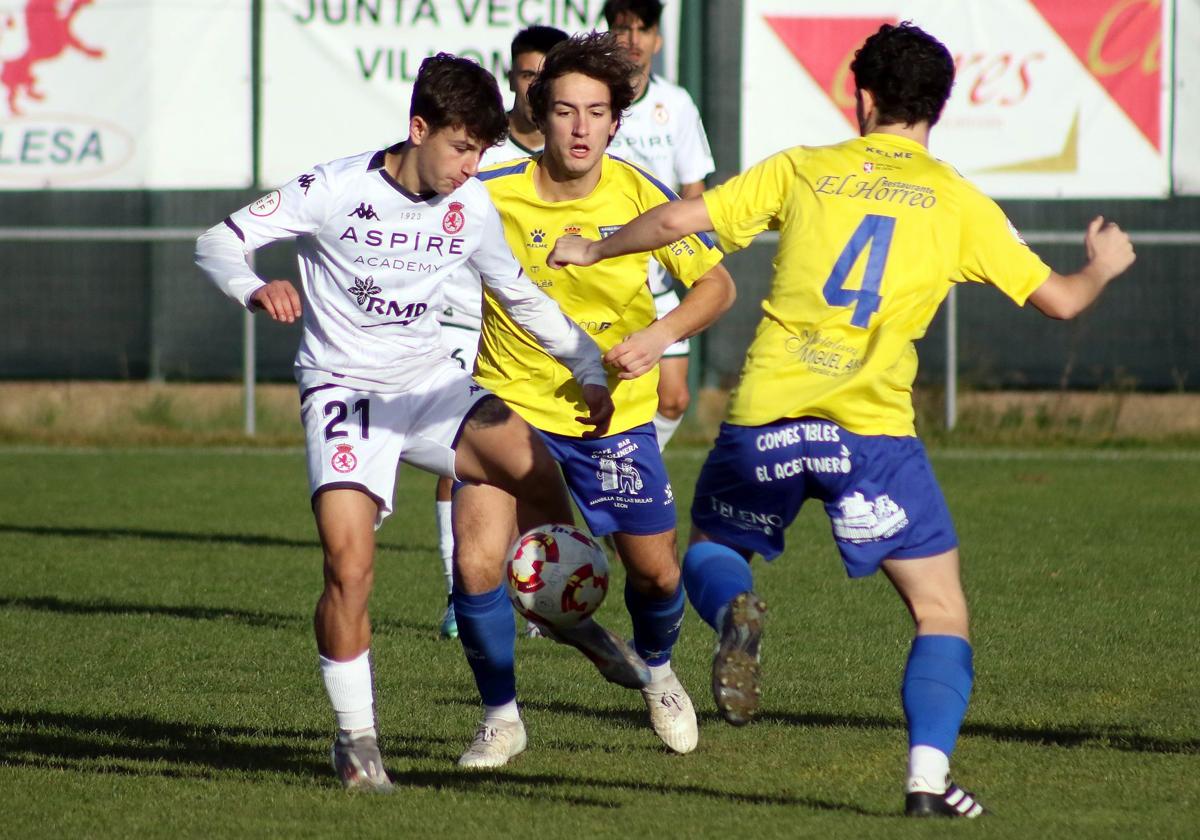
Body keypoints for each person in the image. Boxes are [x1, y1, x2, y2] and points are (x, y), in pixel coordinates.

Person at [548, 21, 1135, 818]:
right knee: (940, 610)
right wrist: (1099, 268)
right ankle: (927, 779)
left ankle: (734, 613)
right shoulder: (959, 200)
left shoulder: (804, 169)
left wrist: (594, 249)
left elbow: (680, 222)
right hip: (872, 437)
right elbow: (1061, 301)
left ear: (860, 98)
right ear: (939, 108)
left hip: (766, 419)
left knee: (713, 549)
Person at [195, 53, 628, 791]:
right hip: (346, 397)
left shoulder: (471, 206)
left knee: (536, 470)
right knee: (349, 569)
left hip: (431, 388)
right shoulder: (333, 188)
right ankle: (356, 741)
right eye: (461, 147)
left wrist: (587, 366)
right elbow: (218, 241)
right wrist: (254, 285)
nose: (470, 166)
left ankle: (567, 613)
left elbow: (518, 294)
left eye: (482, 151)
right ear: (418, 127)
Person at [449, 31, 736, 766]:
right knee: (478, 568)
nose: (580, 127)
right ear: (538, 114)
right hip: (508, 406)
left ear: (616, 121)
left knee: (655, 571)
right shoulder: (491, 197)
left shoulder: (641, 193)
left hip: (614, 419)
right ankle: (500, 717)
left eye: (596, 112)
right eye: (566, 110)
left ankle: (660, 673)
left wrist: (658, 336)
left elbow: (717, 285)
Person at [433, 25, 569, 643]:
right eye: (525, 74)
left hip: (538, 326)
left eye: (547, 77)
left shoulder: (573, 159)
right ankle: (460, 594)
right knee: (460, 453)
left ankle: (539, 585)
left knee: (534, 458)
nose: (533, 86)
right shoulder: (484, 152)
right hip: (466, 317)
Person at [604, 0, 716, 451]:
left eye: (642, 29)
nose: (632, 39)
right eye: (622, 28)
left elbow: (694, 188)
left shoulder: (677, 104)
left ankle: (631, 482)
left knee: (672, 399)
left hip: (656, 272)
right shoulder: (594, 100)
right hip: (600, 271)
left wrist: (680, 250)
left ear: (658, 40)